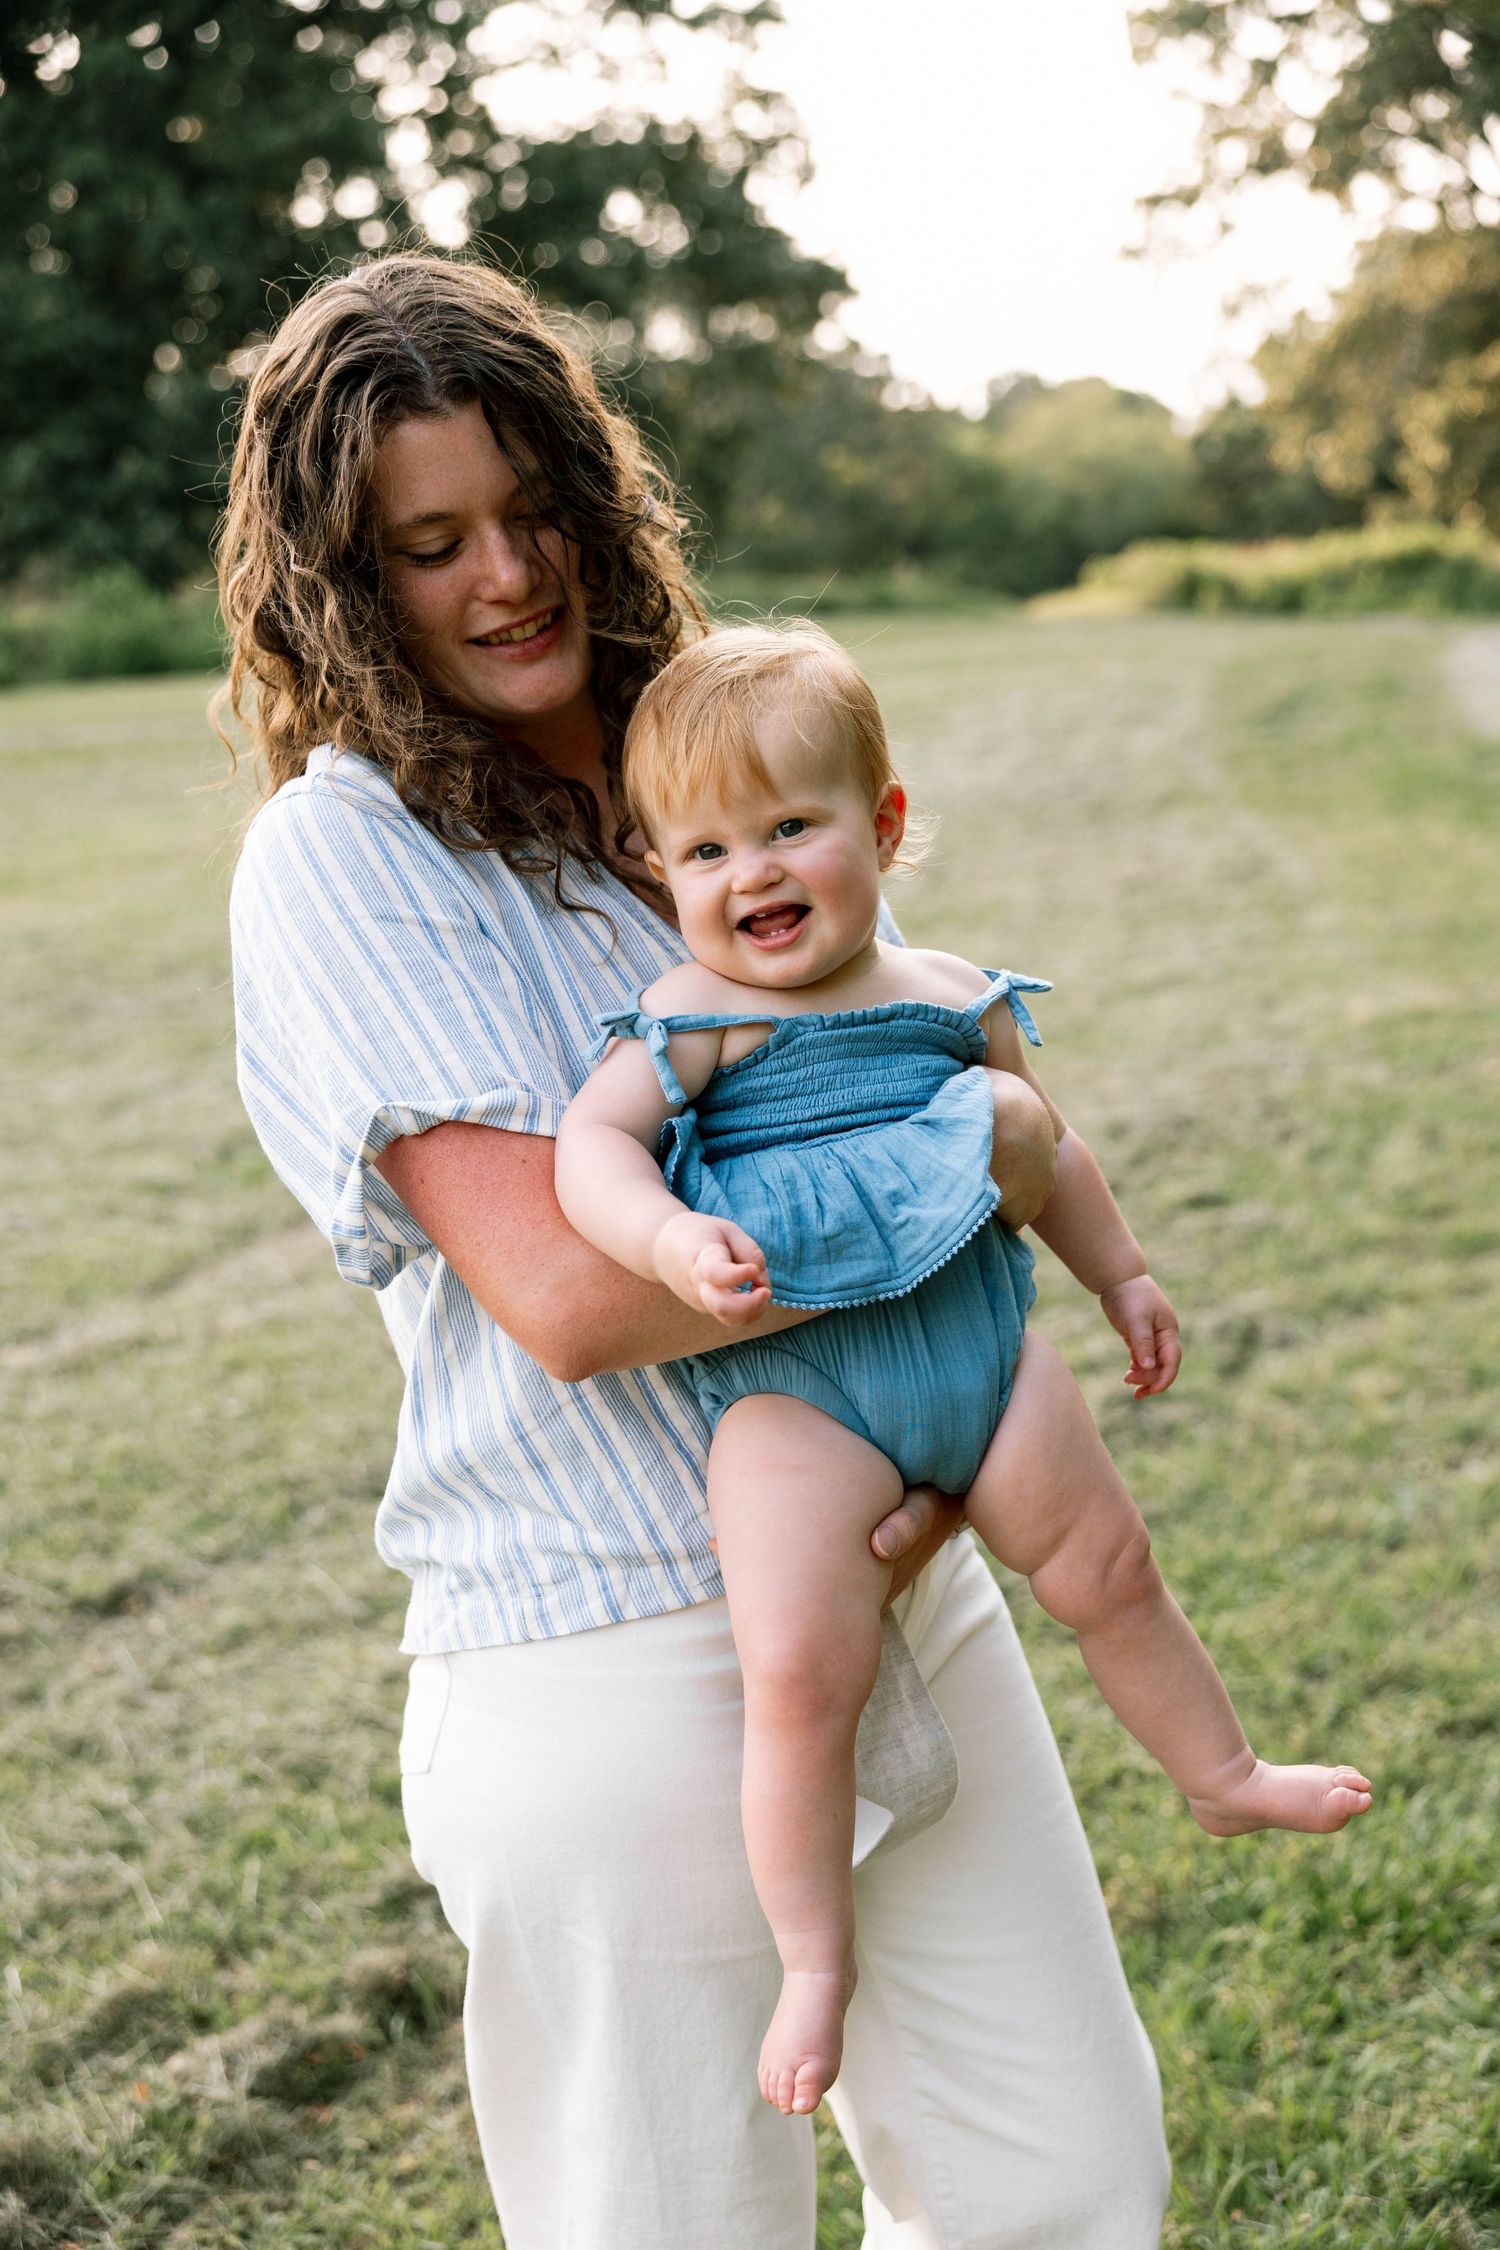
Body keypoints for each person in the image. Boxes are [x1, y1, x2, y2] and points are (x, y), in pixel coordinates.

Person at [222, 249, 1172, 2249]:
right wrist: (981, 1153)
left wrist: (976, 1154)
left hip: (903, 1583)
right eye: (430, 543)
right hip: (612, 1658)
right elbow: (574, 1293)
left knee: (1065, 2189)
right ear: (339, 577)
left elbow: (896, 1036)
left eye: (532, 507)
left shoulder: (697, 745)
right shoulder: (346, 854)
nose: (506, 577)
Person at [554, 622, 1374, 2120]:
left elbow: (1044, 1143)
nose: (754, 875)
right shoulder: (696, 1021)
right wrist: (668, 1240)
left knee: (1109, 1568)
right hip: (802, 1394)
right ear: (661, 871)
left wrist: (1117, 1273)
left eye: (792, 825)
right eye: (704, 849)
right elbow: (587, 1149)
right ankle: (814, 1957)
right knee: (802, 1672)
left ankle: (1221, 1769)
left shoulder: (947, 991)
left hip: (980, 1350)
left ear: (886, 822)